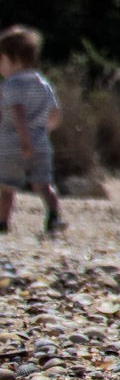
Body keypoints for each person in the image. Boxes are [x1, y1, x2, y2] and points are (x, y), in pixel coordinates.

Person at [0, 27, 65, 236]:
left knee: (6, 189)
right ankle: (54, 215)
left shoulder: (11, 84)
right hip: (41, 144)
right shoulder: (43, 84)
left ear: (11, 59)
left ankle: (2, 223)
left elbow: (17, 113)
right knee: (43, 185)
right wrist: (43, 131)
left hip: (13, 145)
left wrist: (25, 141)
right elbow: (55, 114)